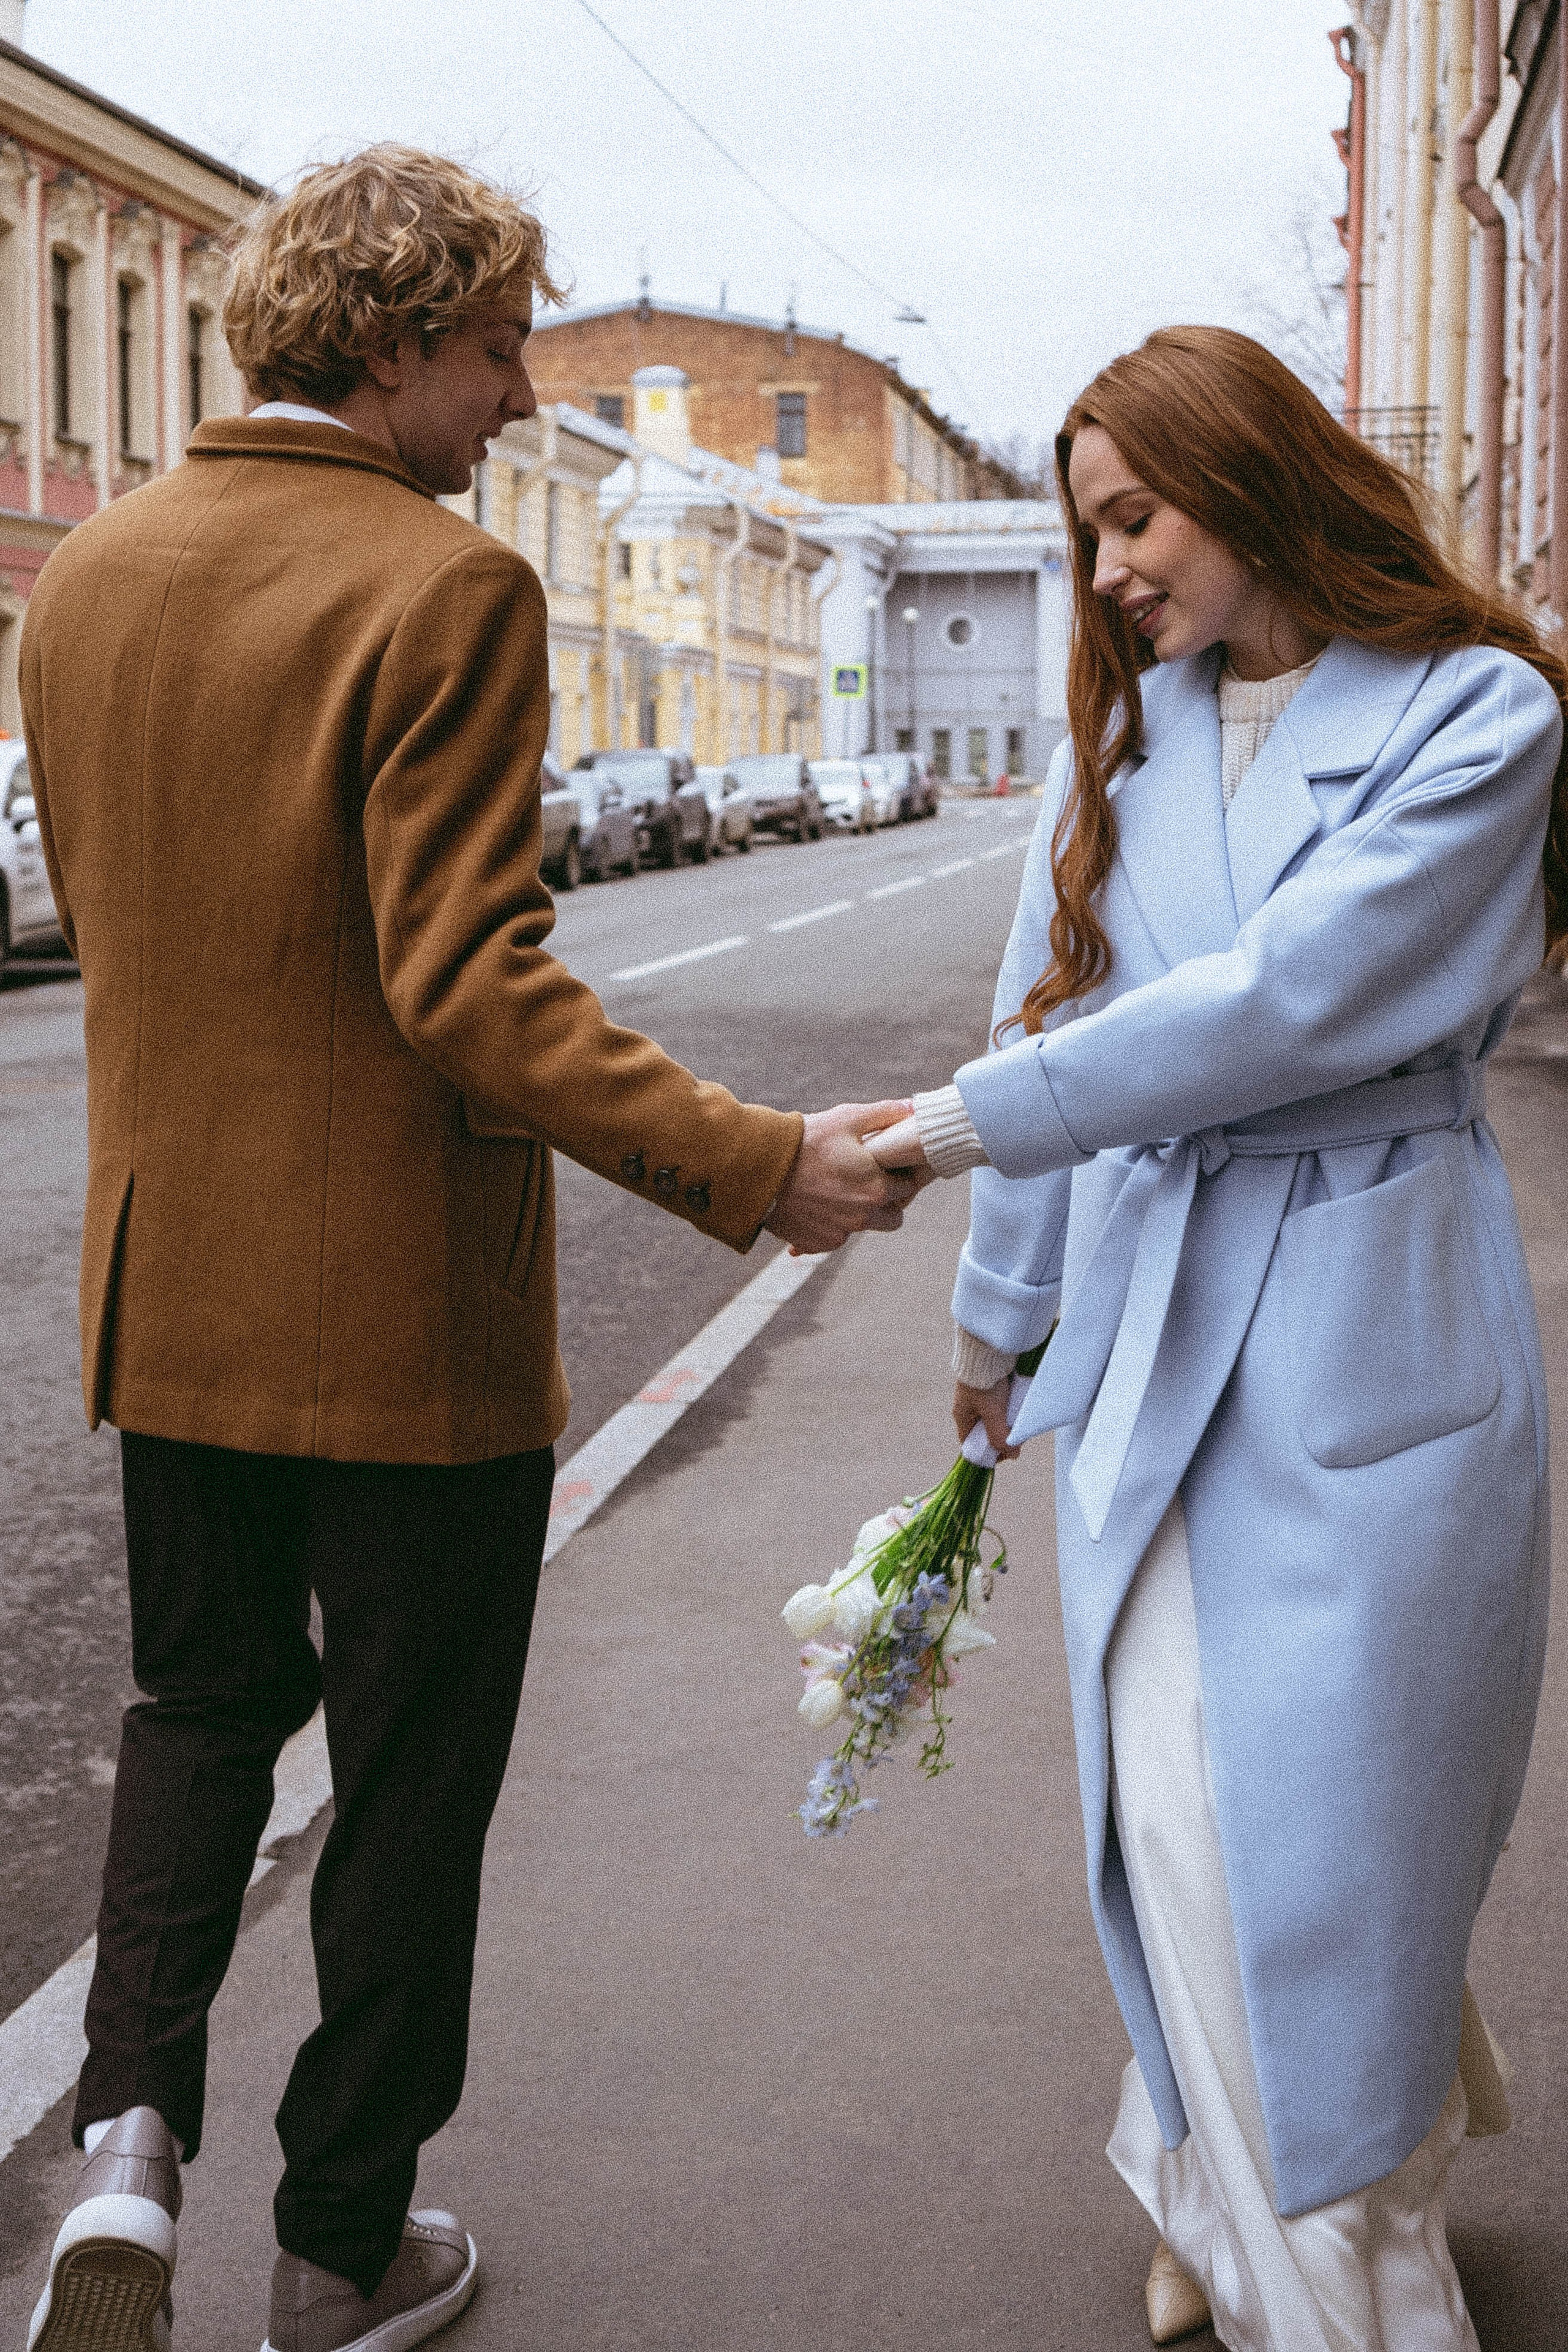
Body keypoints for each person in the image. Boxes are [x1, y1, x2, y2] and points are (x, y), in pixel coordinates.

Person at [18, 146, 919, 2352]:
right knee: (409, 1788)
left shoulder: (88, 582)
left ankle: (122, 2147)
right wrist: (752, 1161)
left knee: (194, 1714)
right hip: (403, 1319)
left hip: (171, 1299)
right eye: (502, 346)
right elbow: (469, 988)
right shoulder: (443, 590)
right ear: (400, 337)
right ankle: (338, 2251)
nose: (521, 394)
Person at [869, 324, 1565, 2350]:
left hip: (1379, 1333)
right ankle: (1249, 2208)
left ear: (1253, 485)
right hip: (1154, 1345)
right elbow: (1047, 1015)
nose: (1106, 574)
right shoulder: (1124, 748)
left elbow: (1283, 1003)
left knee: (1348, 1831)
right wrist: (996, 1330)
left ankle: (1296, 2235)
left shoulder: (1481, 712)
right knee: (1181, 1810)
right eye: (1084, 534)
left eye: (1134, 519)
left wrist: (943, 1133)